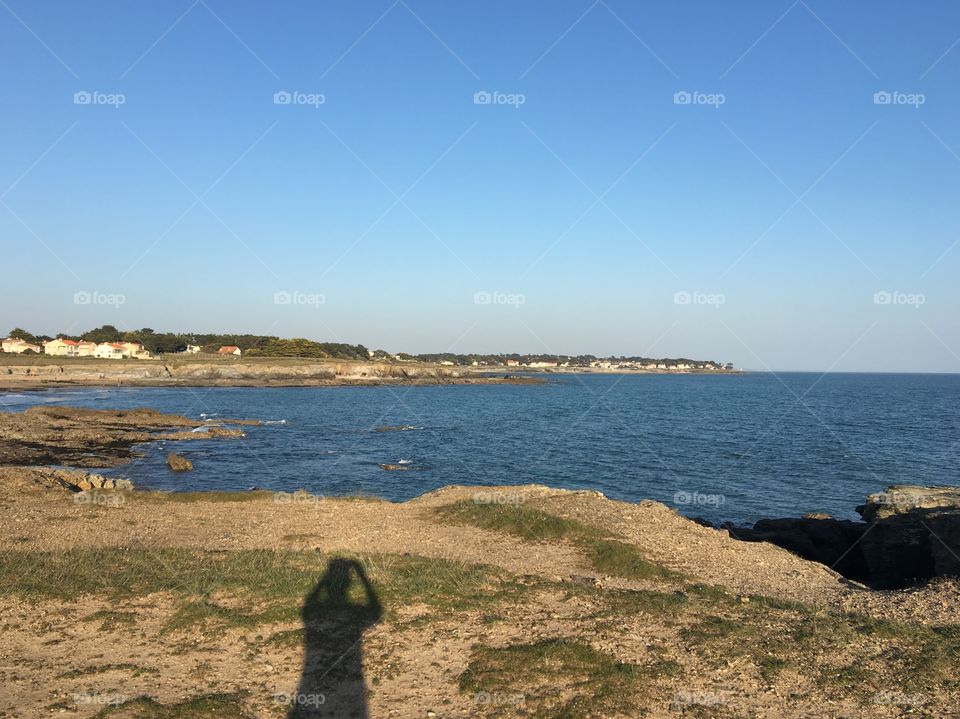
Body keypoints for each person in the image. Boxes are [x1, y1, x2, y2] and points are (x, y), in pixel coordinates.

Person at [287, 558, 382, 719]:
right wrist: (364, 578)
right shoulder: (350, 615)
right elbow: (376, 613)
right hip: (346, 685)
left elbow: (308, 606)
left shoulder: (315, 615)